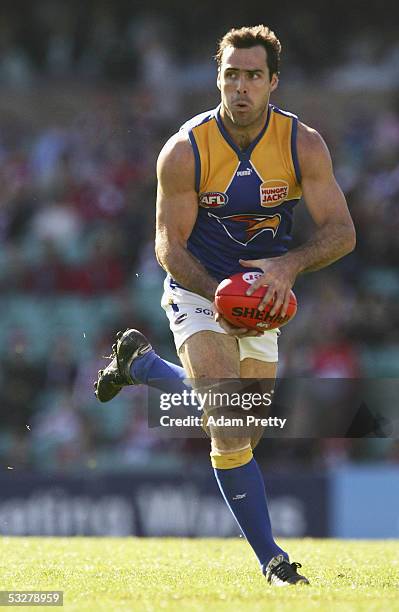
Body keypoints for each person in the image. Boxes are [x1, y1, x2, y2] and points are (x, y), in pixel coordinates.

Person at [94, 24, 355, 586]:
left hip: (264, 294)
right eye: (231, 75)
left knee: (244, 428)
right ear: (218, 78)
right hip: (199, 287)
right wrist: (216, 292)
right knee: (231, 427)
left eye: (253, 76)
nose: (240, 87)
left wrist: (287, 268)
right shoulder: (184, 150)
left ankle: (144, 368)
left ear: (272, 82)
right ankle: (274, 562)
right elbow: (167, 243)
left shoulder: (301, 144)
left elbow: (342, 233)